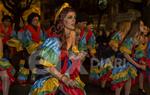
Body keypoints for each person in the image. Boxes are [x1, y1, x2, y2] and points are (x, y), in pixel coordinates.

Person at [29, 3, 86, 95]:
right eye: (70, 17)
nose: (73, 20)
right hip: (50, 76)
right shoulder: (53, 41)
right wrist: (64, 78)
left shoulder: (72, 36)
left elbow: (71, 59)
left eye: (74, 17)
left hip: (65, 74)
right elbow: (47, 65)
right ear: (62, 20)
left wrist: (79, 57)